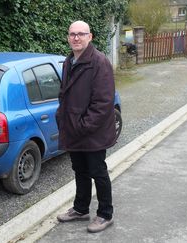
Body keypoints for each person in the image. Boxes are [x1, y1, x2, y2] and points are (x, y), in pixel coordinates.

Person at [55, 21, 116, 233]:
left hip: (92, 132)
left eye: (81, 34)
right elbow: (65, 94)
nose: (76, 38)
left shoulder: (99, 62)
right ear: (68, 37)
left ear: (90, 37)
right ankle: (81, 209)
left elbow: (103, 103)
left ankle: (105, 214)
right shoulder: (69, 61)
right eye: (72, 34)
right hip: (74, 128)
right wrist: (61, 117)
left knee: (98, 172)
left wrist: (82, 126)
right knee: (80, 170)